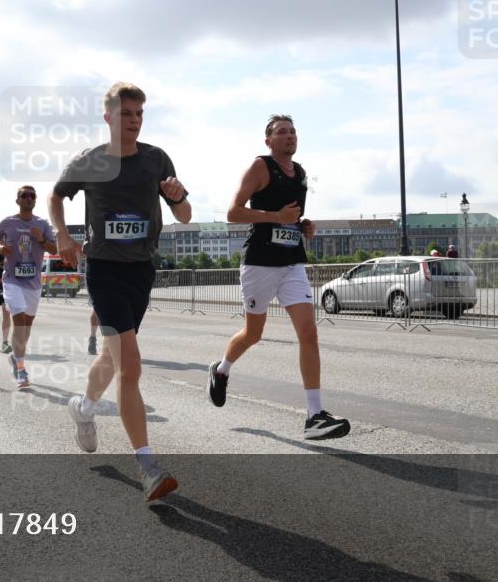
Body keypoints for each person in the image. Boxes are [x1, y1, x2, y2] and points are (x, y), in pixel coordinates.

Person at [49, 81, 191, 502]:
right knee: (130, 364)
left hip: (141, 271)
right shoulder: (89, 161)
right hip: (105, 270)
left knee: (112, 360)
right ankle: (148, 467)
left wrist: (179, 197)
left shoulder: (155, 159)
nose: (133, 121)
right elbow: (56, 197)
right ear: (108, 117)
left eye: (139, 115)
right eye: (126, 114)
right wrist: (61, 234)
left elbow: (184, 216)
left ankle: (84, 407)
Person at [207, 114, 350, 441]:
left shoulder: (299, 173)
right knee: (253, 333)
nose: (290, 136)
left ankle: (314, 415)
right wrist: (276, 217)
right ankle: (221, 369)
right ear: (269, 141)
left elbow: (290, 219)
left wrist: (303, 226)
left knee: (309, 333)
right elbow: (233, 213)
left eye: (293, 131)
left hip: (291, 262)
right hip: (260, 262)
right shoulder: (260, 167)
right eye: (282, 132)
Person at [0, 185, 57, 388]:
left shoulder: (42, 224)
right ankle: (21, 369)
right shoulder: (8, 222)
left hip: (33, 282)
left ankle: (15, 356)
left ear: (35, 200)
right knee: (19, 319)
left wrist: (41, 239)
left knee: (26, 327)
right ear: (17, 200)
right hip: (12, 279)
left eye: (32, 195)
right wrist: (0, 247)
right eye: (24, 195)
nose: (28, 198)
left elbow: (54, 248)